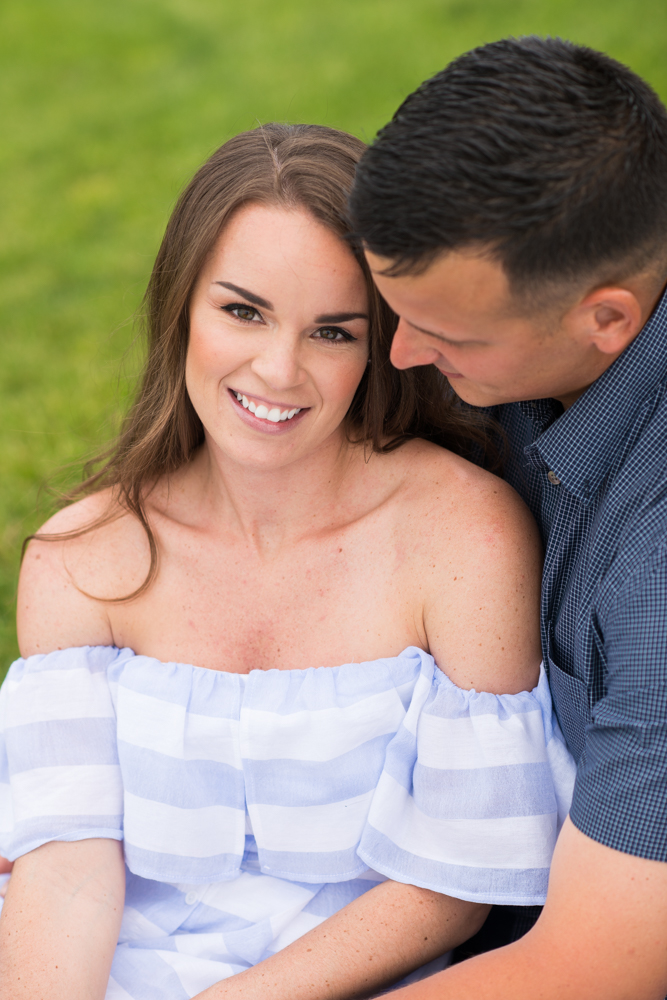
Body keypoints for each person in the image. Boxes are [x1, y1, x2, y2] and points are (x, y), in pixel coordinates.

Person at [0, 123, 574, 1000]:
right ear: (180, 308)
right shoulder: (84, 560)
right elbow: (68, 869)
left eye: (333, 333)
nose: (277, 370)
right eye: (242, 311)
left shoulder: (462, 539)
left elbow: (455, 884)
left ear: (383, 344)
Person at [349, 36, 667, 1000]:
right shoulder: (540, 345)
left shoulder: (657, 574)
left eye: (443, 336)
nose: (396, 353)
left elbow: (591, 969)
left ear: (605, 320)